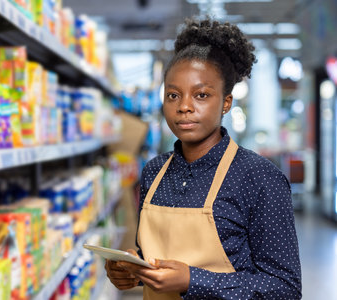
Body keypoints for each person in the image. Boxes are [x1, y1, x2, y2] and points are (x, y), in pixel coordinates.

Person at [105, 18, 302, 299]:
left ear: (225, 102)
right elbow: (155, 262)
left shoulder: (260, 178)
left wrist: (192, 280)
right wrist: (132, 271)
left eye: (201, 95)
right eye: (173, 95)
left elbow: (285, 288)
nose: (184, 106)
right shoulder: (154, 172)